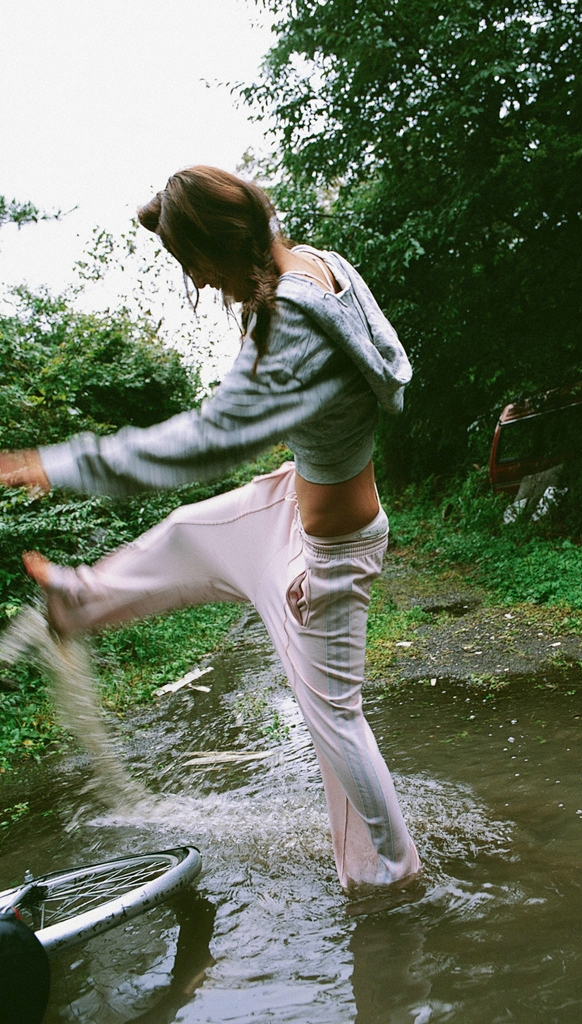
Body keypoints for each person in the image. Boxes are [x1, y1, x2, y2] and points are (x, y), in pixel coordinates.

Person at [0, 166, 420, 891]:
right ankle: (79, 599)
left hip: (333, 551)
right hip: (293, 500)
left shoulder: (292, 324)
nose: (200, 282)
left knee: (334, 719)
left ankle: (393, 871)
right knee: (191, 532)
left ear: (221, 246)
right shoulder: (319, 265)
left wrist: (60, 463)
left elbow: (203, 442)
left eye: (194, 266)